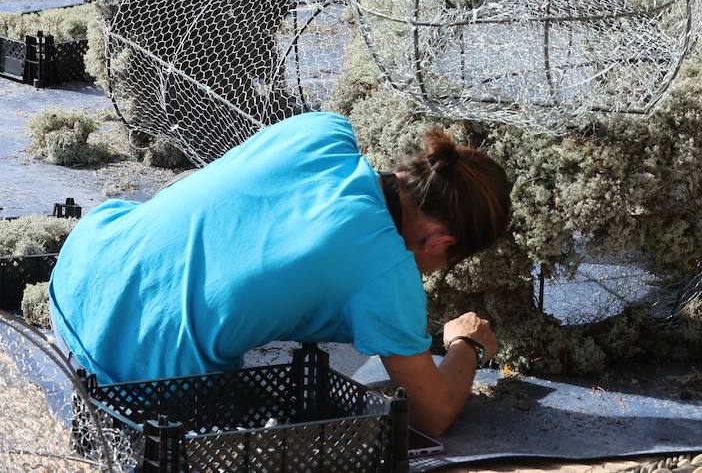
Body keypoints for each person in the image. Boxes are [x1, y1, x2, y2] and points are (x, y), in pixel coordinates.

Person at [47, 112, 511, 437]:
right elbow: (433, 413)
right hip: (138, 379)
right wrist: (464, 345)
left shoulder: (322, 131)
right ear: (439, 243)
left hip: (79, 278)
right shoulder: (387, 273)